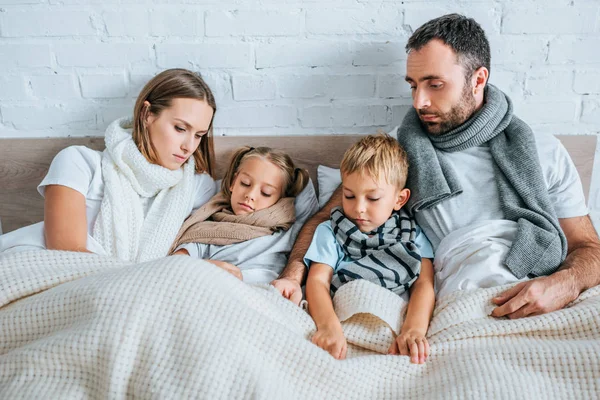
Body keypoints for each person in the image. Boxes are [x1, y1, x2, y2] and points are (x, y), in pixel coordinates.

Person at [272, 14, 600, 320]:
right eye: (413, 85)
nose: (419, 102)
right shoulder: (397, 152)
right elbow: (327, 217)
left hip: (542, 294)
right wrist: (292, 274)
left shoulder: (543, 150)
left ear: (478, 79)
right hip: (465, 300)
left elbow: (588, 248)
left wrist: (565, 284)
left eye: (434, 85)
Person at [0, 68, 218, 263]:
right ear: (147, 115)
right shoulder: (79, 163)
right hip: (51, 275)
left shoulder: (197, 188)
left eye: (199, 135)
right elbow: (66, 256)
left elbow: (234, 227)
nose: (189, 146)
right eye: (180, 128)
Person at [304, 134, 435, 363]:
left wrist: (413, 329)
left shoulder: (411, 234)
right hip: (344, 317)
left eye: (373, 198)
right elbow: (317, 282)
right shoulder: (331, 231)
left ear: (400, 199)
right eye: (349, 196)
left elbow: (424, 283)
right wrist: (328, 327)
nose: (359, 208)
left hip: (392, 318)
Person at [170, 146, 317, 284]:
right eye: (245, 183)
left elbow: (308, 197)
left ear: (280, 200)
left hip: (264, 293)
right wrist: (211, 267)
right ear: (233, 182)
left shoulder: (286, 230)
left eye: (266, 193)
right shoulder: (208, 227)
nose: (250, 195)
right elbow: (176, 262)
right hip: (214, 287)